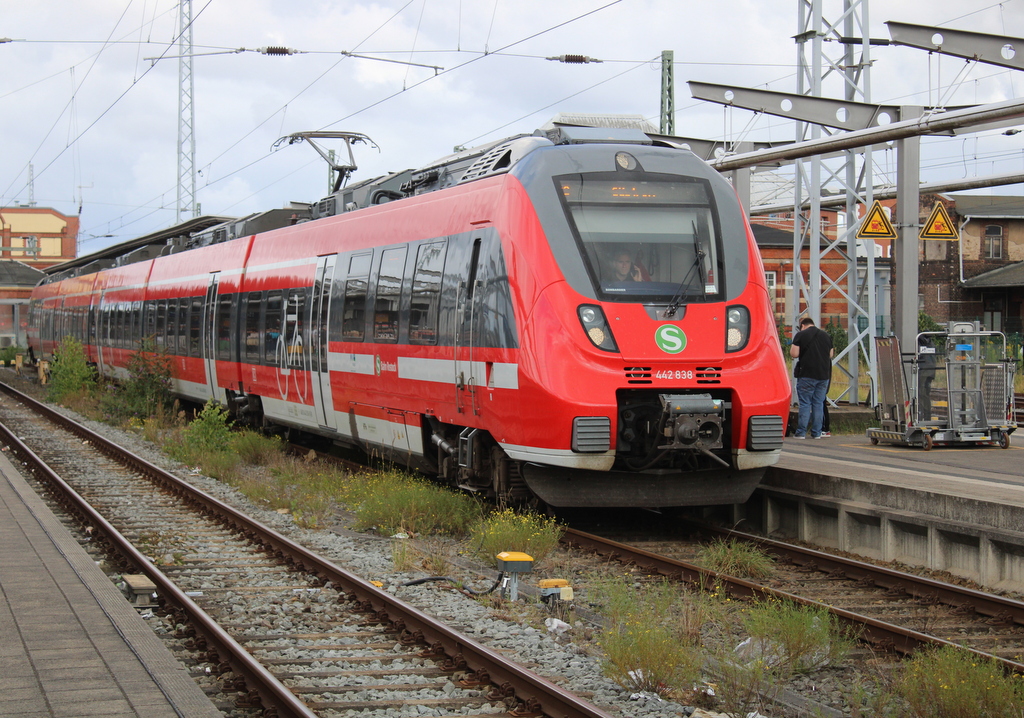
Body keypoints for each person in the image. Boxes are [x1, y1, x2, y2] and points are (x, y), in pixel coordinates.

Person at [789, 317, 833, 439]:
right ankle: (817, 433)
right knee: (818, 403)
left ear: (802, 325)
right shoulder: (826, 335)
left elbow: (794, 353)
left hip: (807, 375)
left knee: (805, 403)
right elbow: (830, 354)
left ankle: (801, 432)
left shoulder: (801, 335)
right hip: (823, 375)